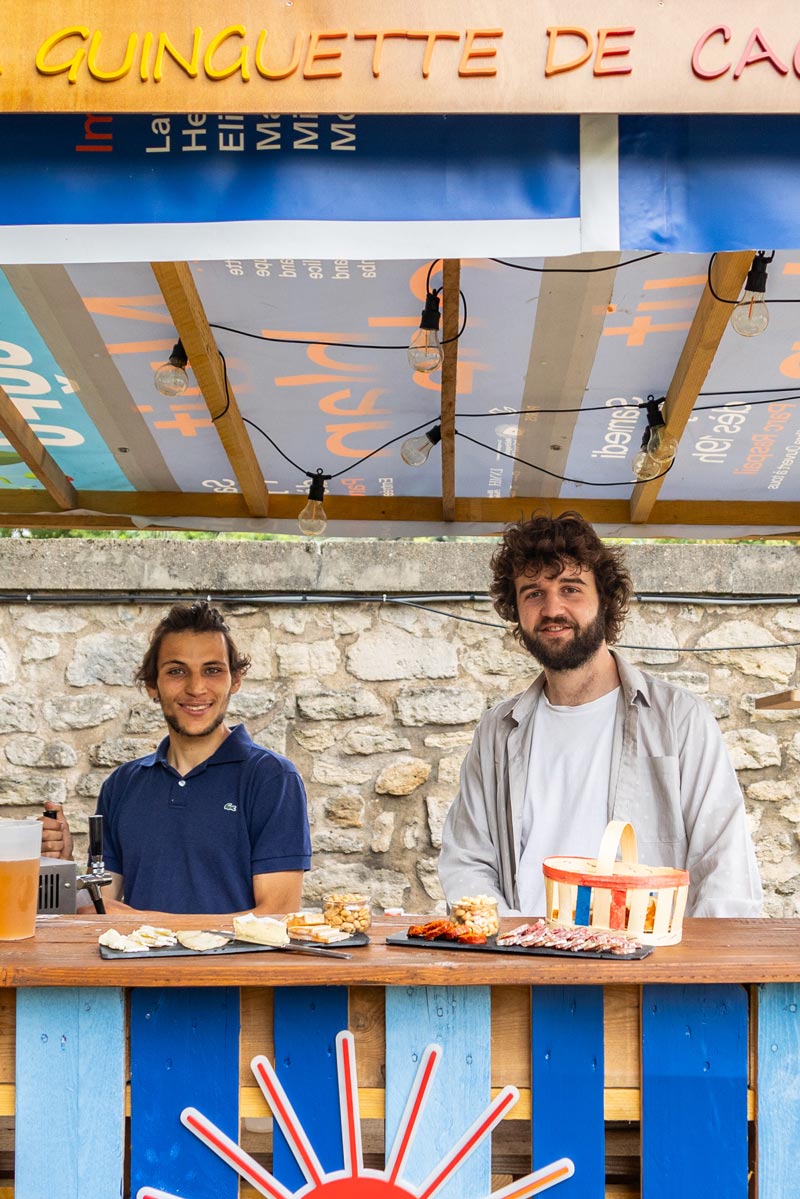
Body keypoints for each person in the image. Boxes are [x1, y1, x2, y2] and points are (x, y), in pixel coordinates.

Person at [438, 512, 763, 918]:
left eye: (570, 589)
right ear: (516, 611)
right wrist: (511, 945)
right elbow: (466, 859)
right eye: (533, 593)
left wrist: (691, 971)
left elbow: (724, 866)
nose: (552, 608)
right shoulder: (497, 732)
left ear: (605, 601)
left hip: (645, 966)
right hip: (524, 961)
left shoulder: (679, 719)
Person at [41, 600, 311, 919]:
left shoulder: (272, 778)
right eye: (176, 671)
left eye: (212, 670)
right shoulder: (122, 784)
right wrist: (60, 868)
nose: (196, 688)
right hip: (135, 970)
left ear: (234, 680)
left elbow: (277, 915)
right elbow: (101, 909)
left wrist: (144, 923)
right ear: (153, 685)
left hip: (232, 971)